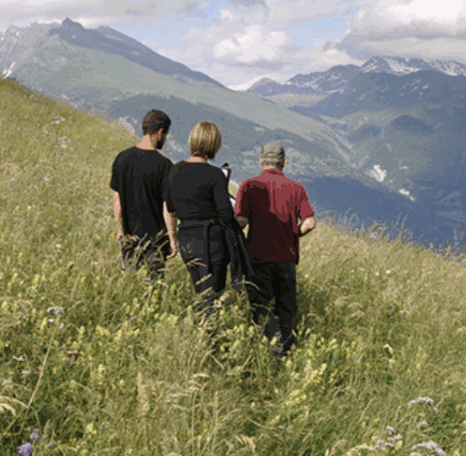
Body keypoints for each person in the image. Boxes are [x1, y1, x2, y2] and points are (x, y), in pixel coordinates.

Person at [235, 142, 316, 357]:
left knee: (261, 306)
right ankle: (285, 350)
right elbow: (310, 222)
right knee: (286, 308)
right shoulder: (297, 188)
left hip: (258, 256)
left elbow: (241, 221)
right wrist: (294, 234)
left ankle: (270, 348)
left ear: (261, 161)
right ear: (284, 163)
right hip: (287, 257)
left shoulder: (249, 186)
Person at [162, 121, 246, 322]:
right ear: (214, 144)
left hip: (186, 239)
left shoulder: (173, 171)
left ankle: (198, 330)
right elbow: (225, 215)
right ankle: (205, 335)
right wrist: (242, 222)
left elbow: (170, 209)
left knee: (199, 287)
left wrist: (172, 239)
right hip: (211, 241)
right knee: (213, 293)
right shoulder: (215, 175)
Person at [110, 109, 173, 279]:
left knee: (131, 283)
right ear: (160, 132)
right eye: (165, 134)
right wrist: (172, 239)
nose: (165, 139)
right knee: (155, 288)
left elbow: (117, 201)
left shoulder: (122, 159)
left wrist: (120, 231)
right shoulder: (164, 165)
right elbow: (167, 207)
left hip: (129, 236)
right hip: (156, 241)